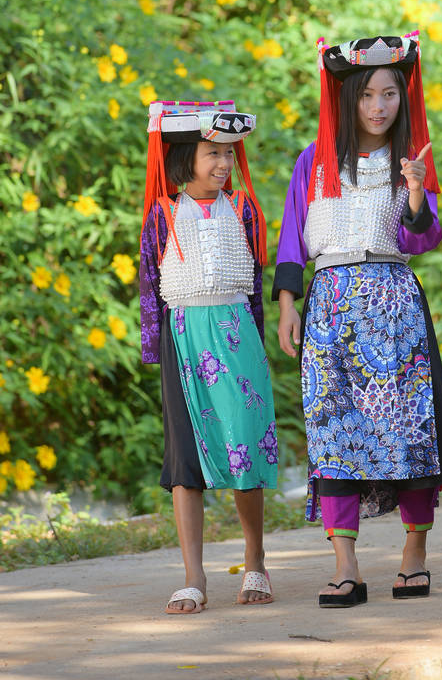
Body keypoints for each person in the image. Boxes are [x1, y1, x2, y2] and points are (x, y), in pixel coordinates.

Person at [274, 33, 442, 608]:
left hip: (394, 306)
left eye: (390, 94)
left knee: (408, 434)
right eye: (367, 95)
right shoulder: (313, 161)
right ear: (347, 99)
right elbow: (290, 240)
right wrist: (288, 304)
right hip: (329, 306)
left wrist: (413, 192)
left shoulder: (410, 164)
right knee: (333, 434)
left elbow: (424, 237)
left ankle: (414, 556)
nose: (379, 106)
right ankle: (346, 566)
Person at [139, 100, 277, 614]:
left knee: (244, 440)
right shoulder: (162, 213)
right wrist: (156, 353)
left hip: (237, 335)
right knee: (184, 457)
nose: (223, 163)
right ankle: (193, 575)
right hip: (183, 339)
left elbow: (256, 286)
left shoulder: (243, 209)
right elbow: (150, 288)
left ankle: (256, 559)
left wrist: (258, 345)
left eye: (228, 153)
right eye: (211, 152)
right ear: (183, 158)